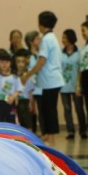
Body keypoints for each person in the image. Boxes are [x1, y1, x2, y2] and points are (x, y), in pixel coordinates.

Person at [21, 11, 64, 143]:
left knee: (50, 109)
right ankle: (47, 133)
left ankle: (51, 134)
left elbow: (42, 60)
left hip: (51, 79)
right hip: (49, 81)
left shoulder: (46, 39)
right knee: (46, 108)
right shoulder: (51, 38)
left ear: (41, 24)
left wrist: (27, 75)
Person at [60, 29, 88, 140]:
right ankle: (70, 131)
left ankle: (83, 130)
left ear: (70, 38)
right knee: (67, 109)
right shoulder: (60, 53)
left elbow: (81, 69)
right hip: (64, 86)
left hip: (76, 85)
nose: (63, 40)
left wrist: (78, 85)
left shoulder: (80, 51)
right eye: (62, 37)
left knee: (79, 108)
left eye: (65, 37)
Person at [0, 49, 20, 123]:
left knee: (11, 120)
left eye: (7, 62)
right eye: (2, 62)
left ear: (11, 63)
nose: (4, 64)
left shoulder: (15, 77)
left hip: (11, 103)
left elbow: (18, 90)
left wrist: (13, 97)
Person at [14, 49, 36, 132]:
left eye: (22, 62)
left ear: (26, 63)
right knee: (17, 121)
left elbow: (30, 91)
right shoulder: (13, 76)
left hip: (25, 101)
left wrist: (31, 102)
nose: (20, 64)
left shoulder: (28, 75)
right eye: (18, 62)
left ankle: (28, 136)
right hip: (15, 101)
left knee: (27, 121)